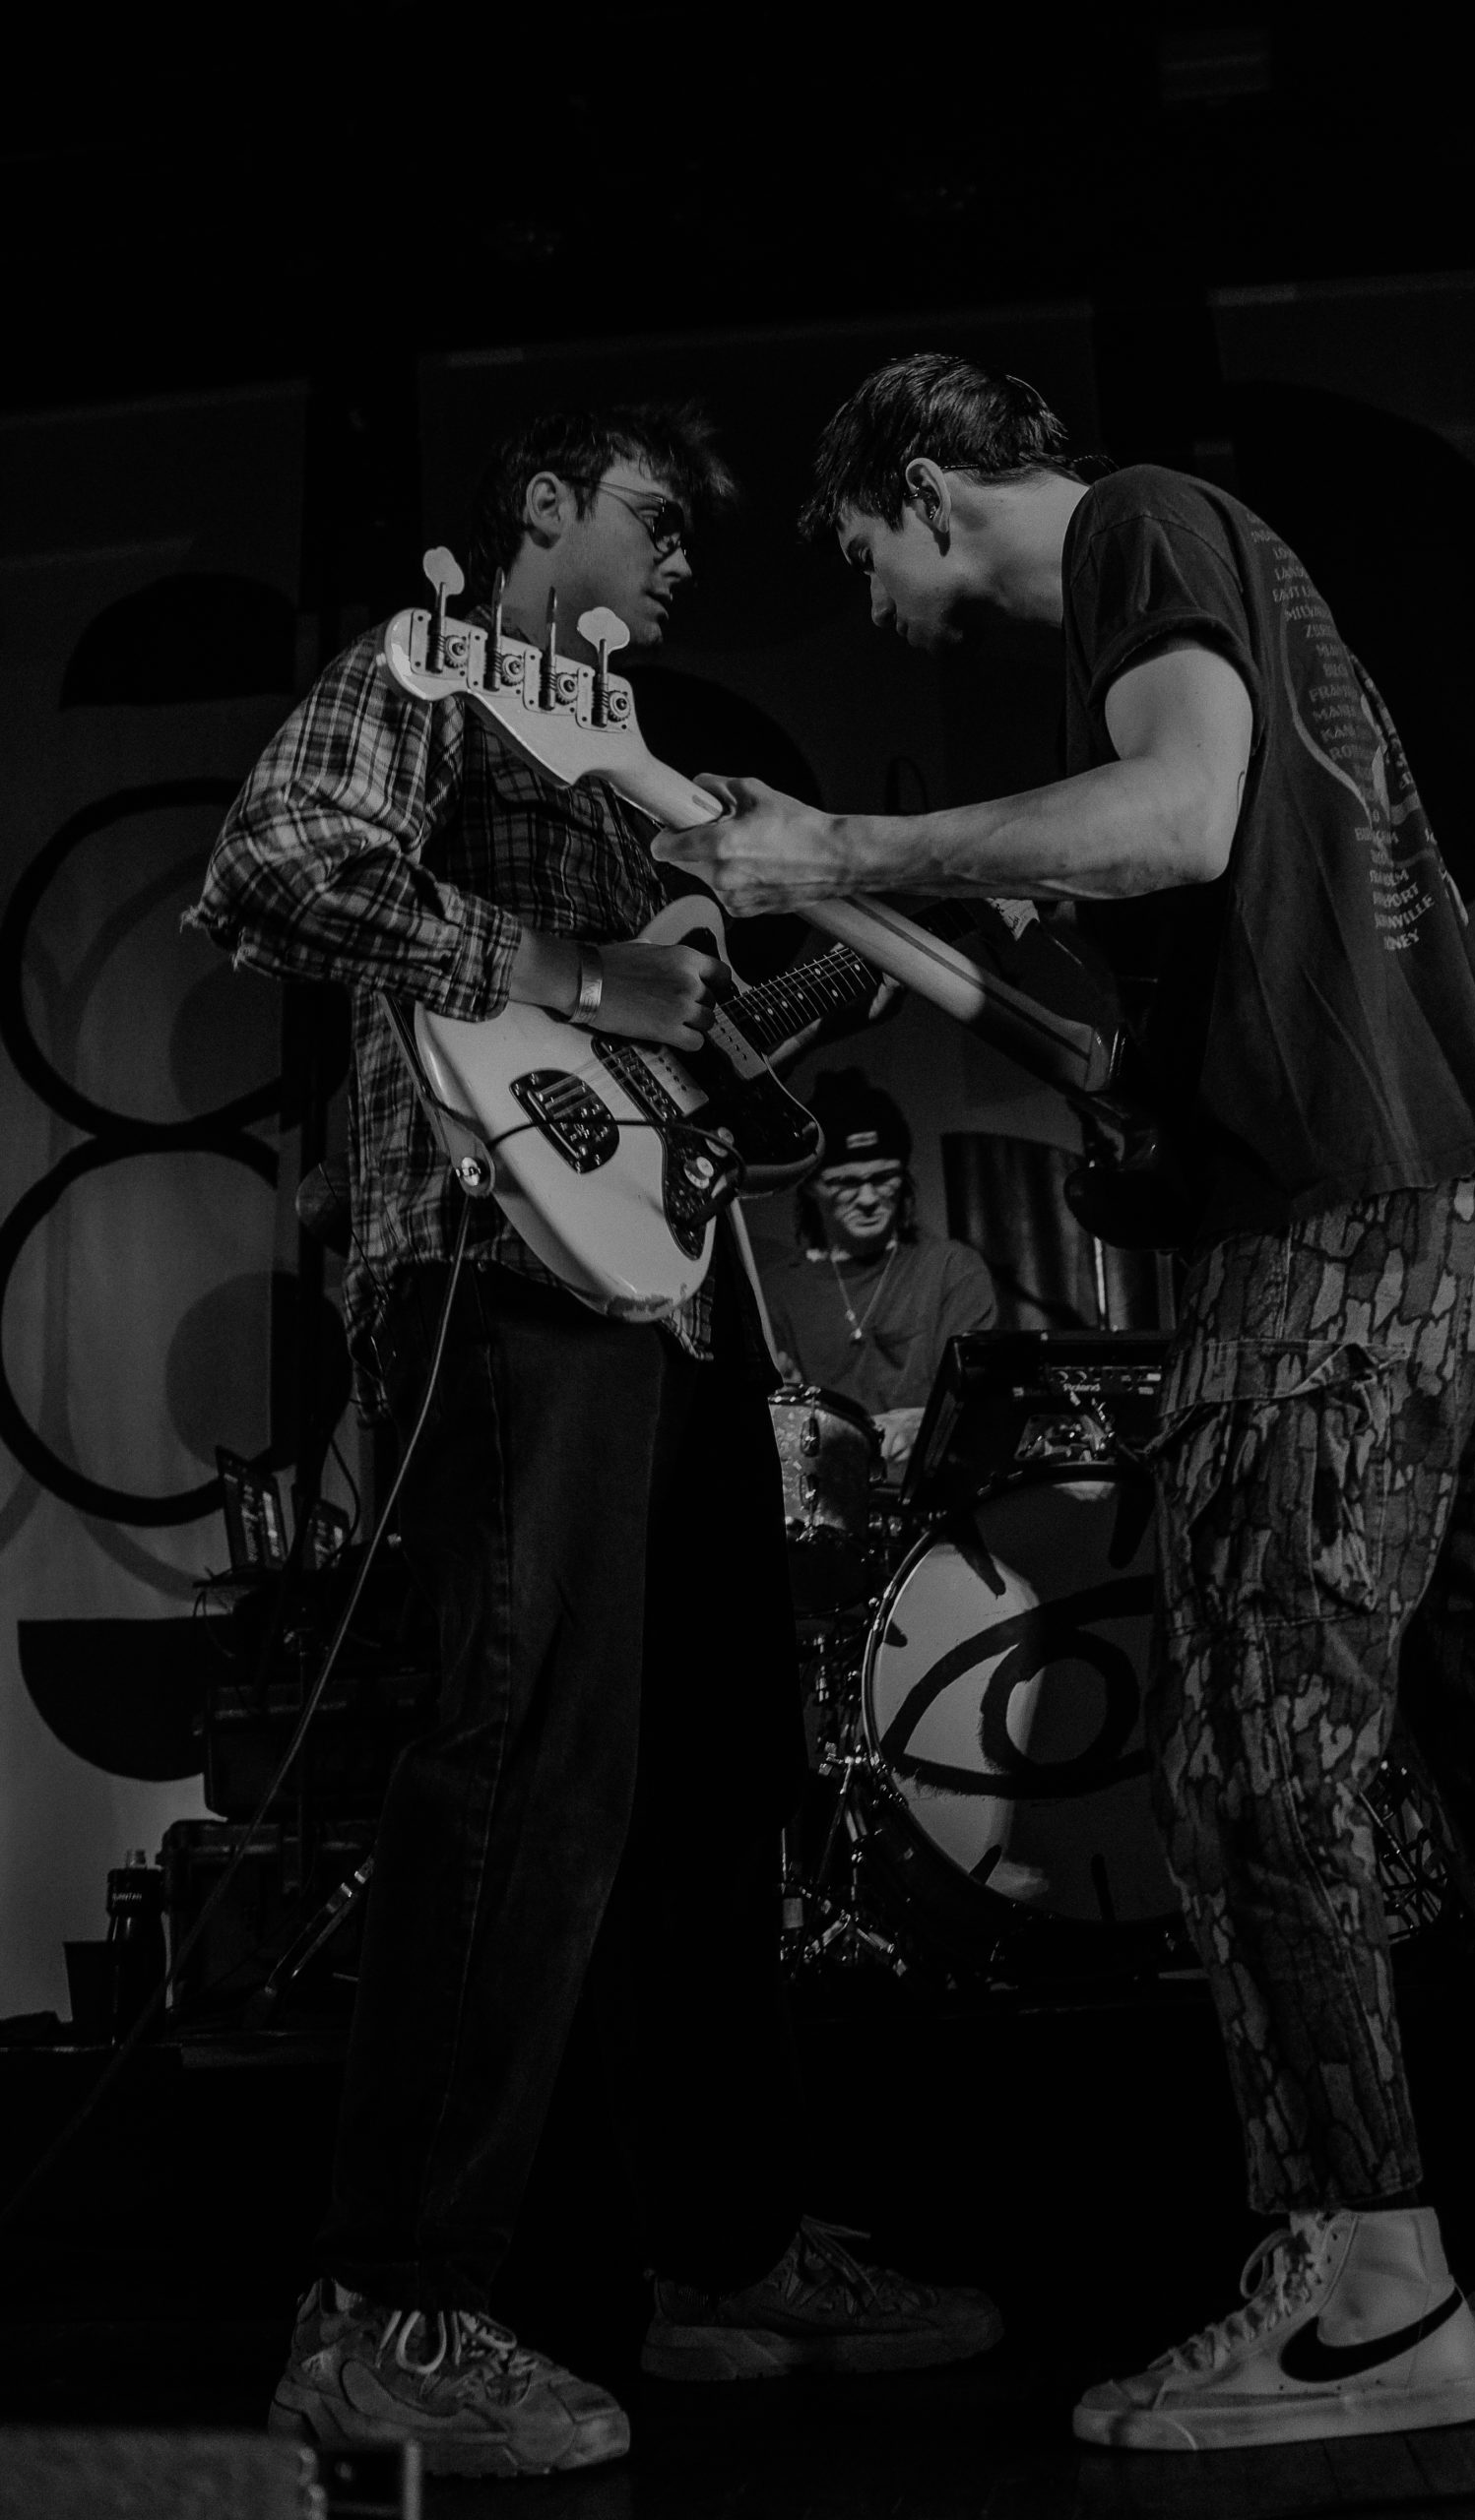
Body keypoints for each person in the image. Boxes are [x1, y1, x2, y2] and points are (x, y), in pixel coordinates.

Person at [656, 354, 1475, 2456]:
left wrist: (841, 834)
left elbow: (1173, 814)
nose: (871, 601)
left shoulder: (1137, 528)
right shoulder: (1189, 589)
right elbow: (1154, 963)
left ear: (924, 487)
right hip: (1432, 1204)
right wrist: (868, 906)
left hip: (1341, 1231)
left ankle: (1365, 2292)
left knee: (1252, 1747)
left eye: (859, 552)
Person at [187, 403, 999, 2481]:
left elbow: (671, 1044)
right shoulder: (428, 673)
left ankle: (714, 2248)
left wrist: (811, 979)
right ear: (539, 512)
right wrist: (560, 963)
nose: (684, 560)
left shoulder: (629, 768)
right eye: (654, 517)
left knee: (707, 1770)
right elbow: (275, 865)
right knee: (519, 1746)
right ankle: (386, 2307)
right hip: (492, 1261)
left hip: (676, 1287)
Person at [753, 1067, 996, 1484]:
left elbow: (981, 1404)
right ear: (809, 1185)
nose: (867, 1198)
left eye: (883, 1178)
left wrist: (924, 1424)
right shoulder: (775, 1291)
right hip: (827, 1500)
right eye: (845, 1182)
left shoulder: (951, 1270)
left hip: (930, 1500)